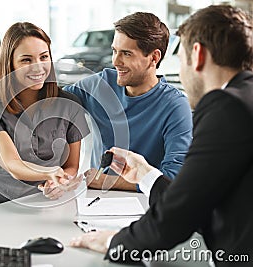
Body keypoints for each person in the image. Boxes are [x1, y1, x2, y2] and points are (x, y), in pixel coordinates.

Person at [70, 5, 253, 266]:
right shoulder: (245, 99)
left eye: (181, 60)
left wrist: (114, 242)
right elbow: (198, 195)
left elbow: (179, 215)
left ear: (197, 55)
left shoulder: (227, 108)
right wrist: (146, 175)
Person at [0, 12, 193, 192]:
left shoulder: (175, 106)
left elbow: (172, 179)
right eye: (114, 51)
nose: (115, 61)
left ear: (154, 57)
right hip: (95, 201)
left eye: (126, 54)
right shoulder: (98, 86)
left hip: (145, 204)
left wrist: (105, 181)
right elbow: (43, 93)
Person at [0, 22, 89, 220]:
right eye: (26, 60)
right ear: (9, 64)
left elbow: (71, 166)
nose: (38, 66)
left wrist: (59, 183)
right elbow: (12, 164)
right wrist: (50, 172)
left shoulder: (69, 104)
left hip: (32, 205)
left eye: (44, 57)